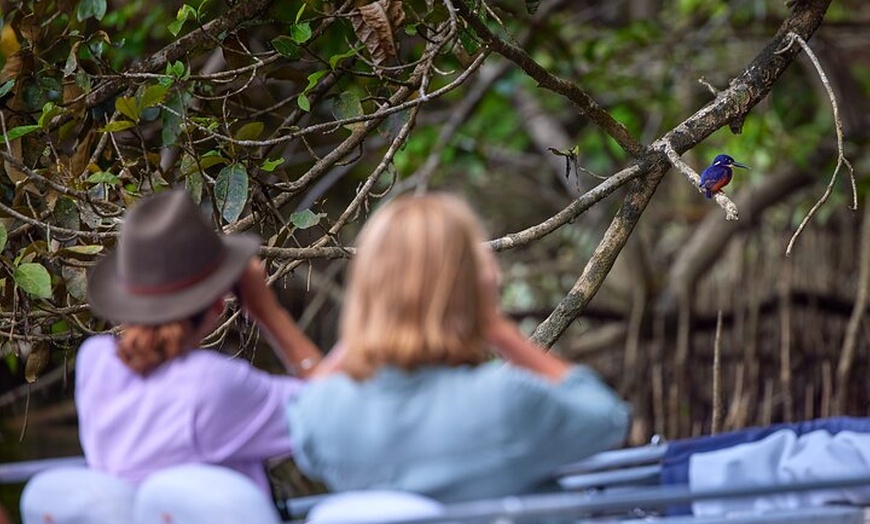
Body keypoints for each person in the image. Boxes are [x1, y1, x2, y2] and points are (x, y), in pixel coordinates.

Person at [287, 193, 631, 503]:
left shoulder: (322, 417)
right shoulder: (505, 400)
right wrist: (497, 328)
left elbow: (310, 402)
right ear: (469, 289)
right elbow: (609, 420)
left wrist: (377, 321)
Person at [77, 188, 324, 496]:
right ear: (219, 302)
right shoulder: (210, 385)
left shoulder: (95, 361)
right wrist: (268, 312)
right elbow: (337, 411)